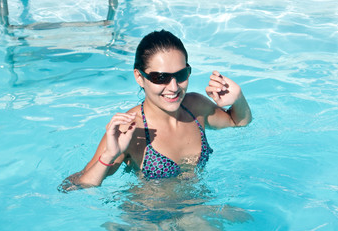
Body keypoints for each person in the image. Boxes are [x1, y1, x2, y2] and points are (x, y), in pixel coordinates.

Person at [59, 29, 252, 191]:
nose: (174, 87)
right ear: (139, 77)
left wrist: (238, 98)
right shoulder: (131, 128)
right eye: (161, 78)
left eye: (181, 74)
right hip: (148, 218)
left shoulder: (196, 108)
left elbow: (239, 122)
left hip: (197, 206)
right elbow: (74, 185)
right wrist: (110, 155)